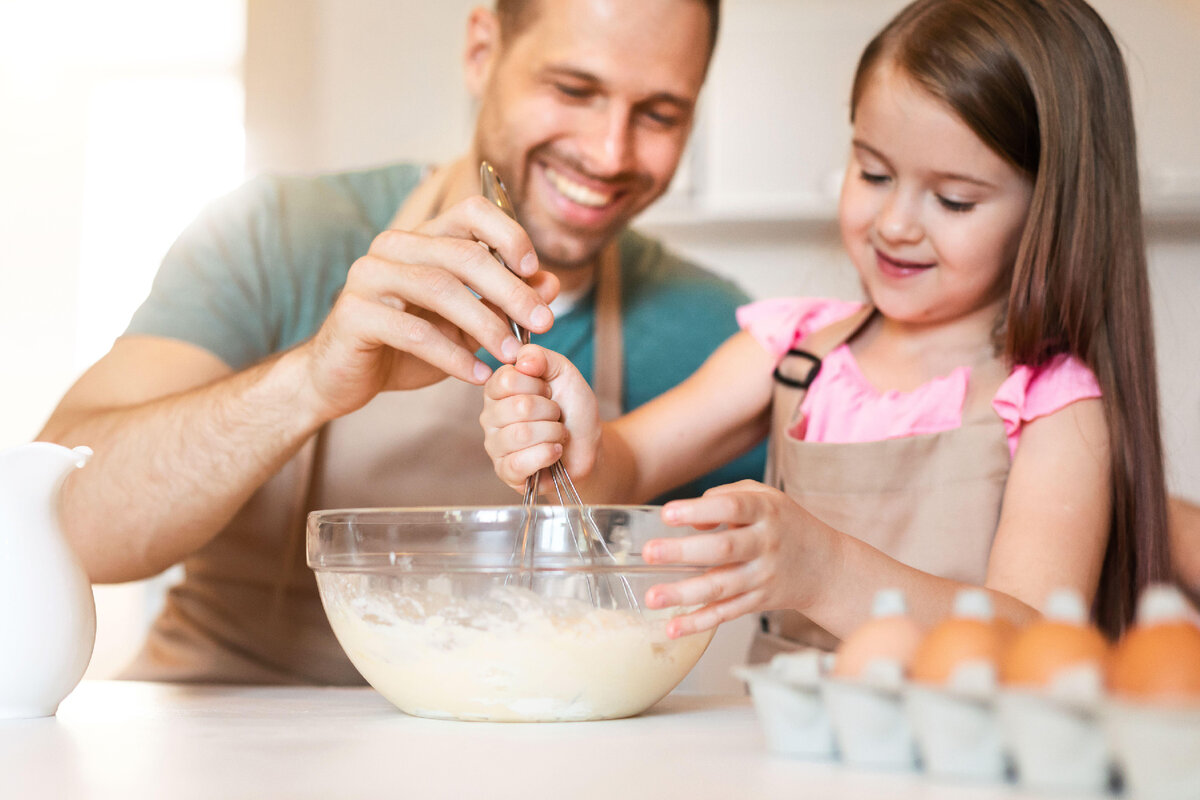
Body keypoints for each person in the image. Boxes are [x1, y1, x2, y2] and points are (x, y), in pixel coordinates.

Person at [37, 0, 765, 684]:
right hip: (215, 742)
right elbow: (64, 527)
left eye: (660, 113)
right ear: (483, 51)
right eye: (574, 89)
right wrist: (311, 380)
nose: (610, 153)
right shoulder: (274, 235)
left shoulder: (713, 336)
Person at [482, 0, 1171, 651]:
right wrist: (570, 442)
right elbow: (624, 469)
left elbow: (1034, 638)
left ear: (1050, 209)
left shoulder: (1053, 404)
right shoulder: (790, 353)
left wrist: (826, 570)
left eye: (954, 200)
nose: (896, 224)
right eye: (873, 173)